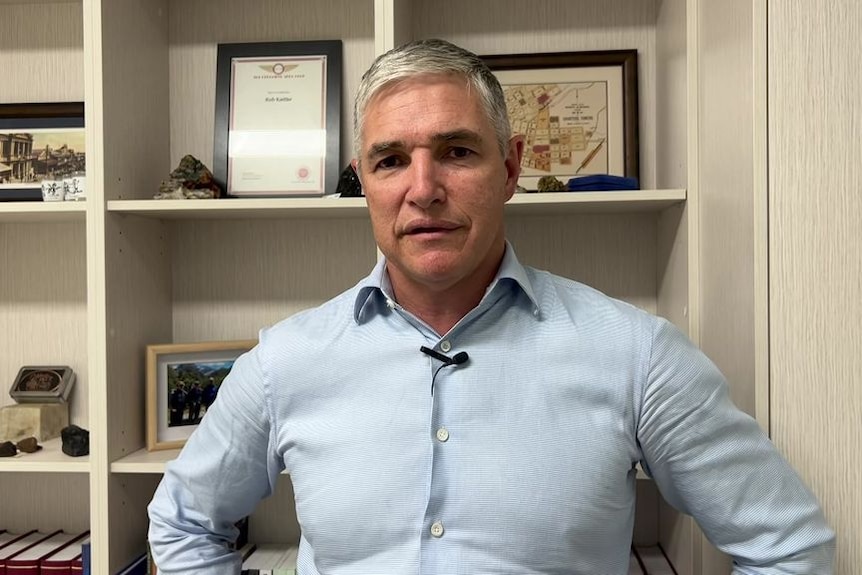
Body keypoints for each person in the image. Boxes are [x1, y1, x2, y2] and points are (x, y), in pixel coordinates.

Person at [148, 39, 835, 574]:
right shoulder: (286, 360)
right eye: (391, 160)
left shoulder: (635, 354)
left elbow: (789, 546)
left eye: (456, 151)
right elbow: (182, 522)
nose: (424, 188)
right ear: (363, 183)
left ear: (509, 169)